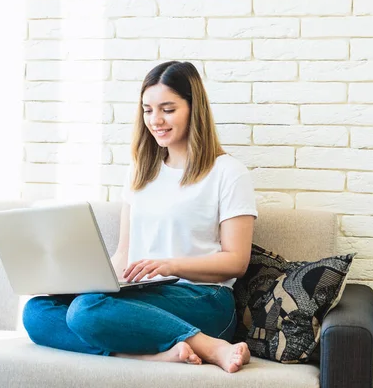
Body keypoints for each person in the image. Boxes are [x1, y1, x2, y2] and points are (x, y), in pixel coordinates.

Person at [22, 61, 258, 373]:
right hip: (144, 295)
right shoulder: (141, 172)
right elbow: (124, 254)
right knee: (37, 310)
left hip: (204, 299)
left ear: (194, 108)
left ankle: (210, 345)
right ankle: (144, 356)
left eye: (168, 109)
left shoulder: (228, 173)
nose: (155, 120)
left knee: (86, 311)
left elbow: (236, 262)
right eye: (148, 109)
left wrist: (171, 265)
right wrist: (78, 282)